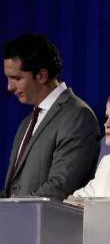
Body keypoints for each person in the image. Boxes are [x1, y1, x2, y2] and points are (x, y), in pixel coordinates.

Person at [3, 33, 99, 198]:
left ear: (41, 76)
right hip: (19, 221)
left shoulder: (77, 116)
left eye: (16, 78)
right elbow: (13, 193)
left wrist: (14, 214)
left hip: (50, 223)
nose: (9, 87)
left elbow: (60, 187)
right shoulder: (27, 123)